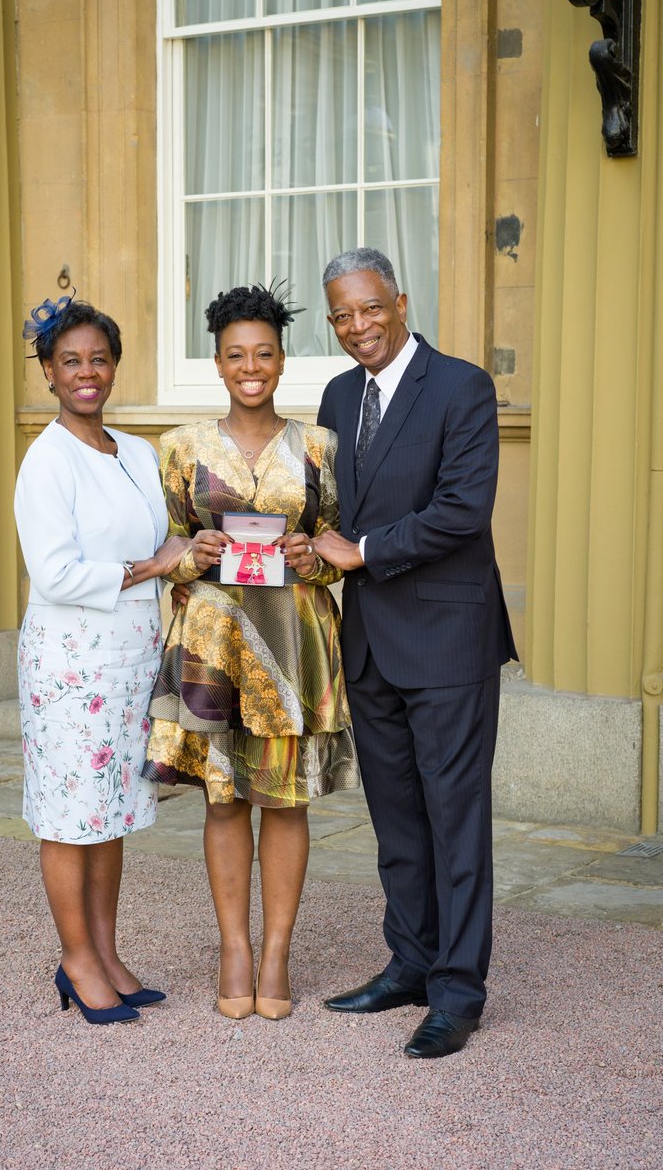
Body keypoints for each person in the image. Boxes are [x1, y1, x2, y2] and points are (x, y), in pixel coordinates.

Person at [313, 248, 518, 1058]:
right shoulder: (335, 395)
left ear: (400, 300)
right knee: (396, 820)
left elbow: (463, 510)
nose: (358, 327)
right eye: (342, 316)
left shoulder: (462, 386)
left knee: (455, 820)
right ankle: (411, 961)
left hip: (447, 641)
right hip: (369, 644)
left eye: (370, 308)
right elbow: (326, 507)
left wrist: (360, 551)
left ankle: (459, 992)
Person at [143, 283, 359, 1020]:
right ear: (217, 362)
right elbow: (167, 548)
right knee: (225, 799)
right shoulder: (178, 447)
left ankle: (277, 953)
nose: (250, 366)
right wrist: (189, 554)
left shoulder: (322, 447)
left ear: (282, 358)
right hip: (213, 641)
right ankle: (234, 946)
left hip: (294, 640)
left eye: (263, 352)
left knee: (286, 801)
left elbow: (337, 546)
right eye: (236, 354)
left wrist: (314, 559)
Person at [15, 294, 187, 1025]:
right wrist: (152, 569)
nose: (87, 373)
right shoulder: (46, 460)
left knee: (110, 813)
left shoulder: (138, 452)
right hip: (68, 669)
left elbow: (168, 542)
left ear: (114, 366)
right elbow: (54, 573)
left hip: (128, 662)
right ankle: (75, 960)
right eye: (71, 362)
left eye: (99, 359)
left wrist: (188, 561)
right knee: (68, 816)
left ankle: (108, 954)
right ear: (49, 374)